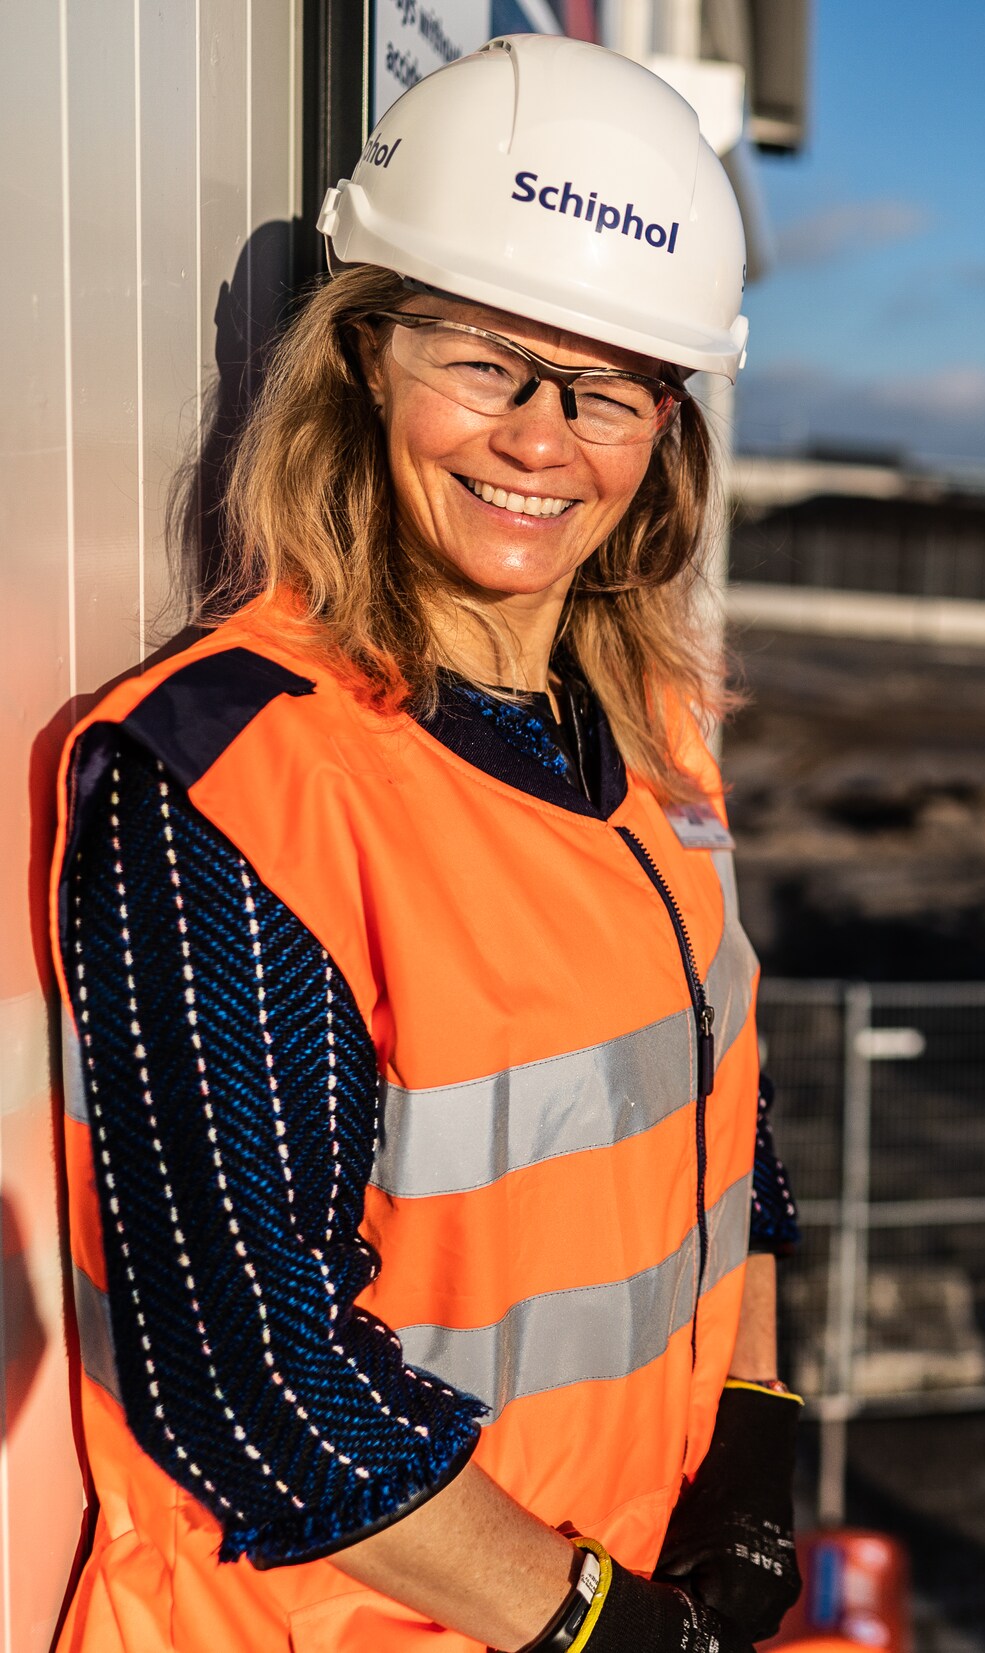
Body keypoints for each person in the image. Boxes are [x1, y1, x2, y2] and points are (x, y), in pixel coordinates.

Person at [49, 36, 802, 1653]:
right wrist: (598, 1620)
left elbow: (724, 1126)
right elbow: (250, 1373)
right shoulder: (237, 780)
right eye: (486, 359)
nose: (544, 437)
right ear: (366, 355)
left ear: (664, 431)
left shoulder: (656, 752)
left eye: (608, 386)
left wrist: (749, 1422)